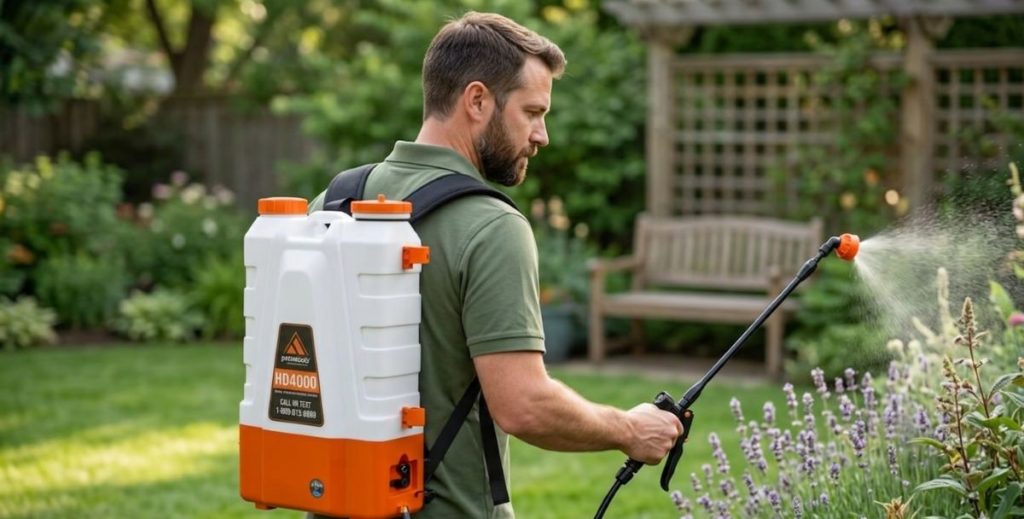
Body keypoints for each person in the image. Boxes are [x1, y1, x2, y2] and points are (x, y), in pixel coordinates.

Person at [307, 11, 683, 518]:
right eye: (532, 112)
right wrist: (631, 429)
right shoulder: (491, 227)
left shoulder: (330, 205)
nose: (542, 134)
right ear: (478, 100)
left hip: (333, 506)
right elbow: (524, 405)